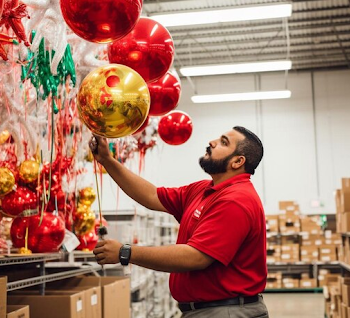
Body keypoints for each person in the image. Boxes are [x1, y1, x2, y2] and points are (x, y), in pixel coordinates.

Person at [91, 126, 268, 318]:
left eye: (223, 142)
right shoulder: (204, 190)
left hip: (226, 311)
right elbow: (152, 196)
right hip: (208, 310)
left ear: (237, 161)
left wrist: (125, 253)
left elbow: (196, 256)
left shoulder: (236, 200)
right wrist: (107, 161)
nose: (212, 142)